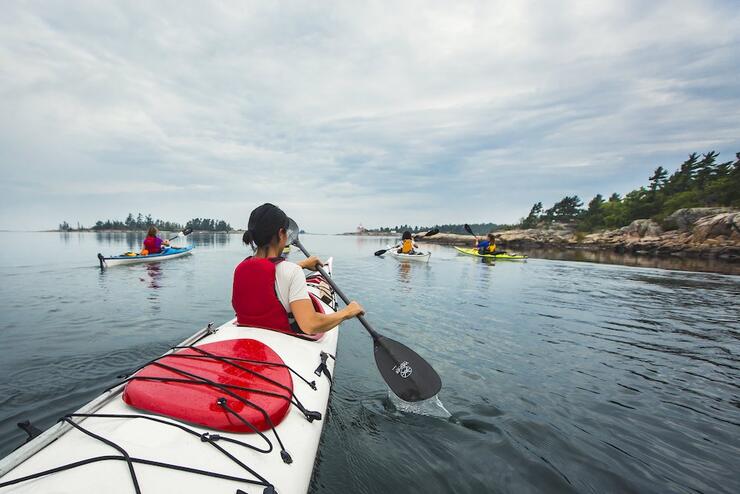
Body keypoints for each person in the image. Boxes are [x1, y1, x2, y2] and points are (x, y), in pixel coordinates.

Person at [232, 203, 364, 335]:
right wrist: (347, 312)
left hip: (245, 338)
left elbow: (267, 275)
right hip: (280, 341)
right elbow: (310, 325)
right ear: (281, 233)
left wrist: (302, 264)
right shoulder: (292, 272)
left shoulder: (240, 268)